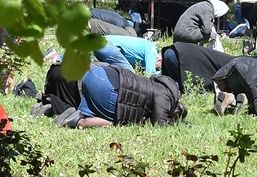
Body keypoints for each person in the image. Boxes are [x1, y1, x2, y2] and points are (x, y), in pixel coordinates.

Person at [57, 64, 186, 128]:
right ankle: (79, 121)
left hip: (98, 72)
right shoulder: (166, 96)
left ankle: (72, 113)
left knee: (93, 110)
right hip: (107, 86)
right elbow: (160, 123)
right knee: (113, 122)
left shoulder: (159, 84)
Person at [161, 42, 235, 93]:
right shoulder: (233, 64)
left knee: (172, 86)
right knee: (174, 86)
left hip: (175, 50)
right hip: (182, 55)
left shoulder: (228, 60)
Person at [92, 34, 161, 75]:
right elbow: (150, 74)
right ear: (160, 59)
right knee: (131, 77)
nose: (156, 67)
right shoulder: (153, 50)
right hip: (107, 45)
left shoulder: (145, 52)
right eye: (158, 67)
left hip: (99, 44)